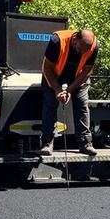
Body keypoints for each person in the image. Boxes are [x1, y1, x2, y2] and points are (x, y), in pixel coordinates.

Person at [39, 28, 100, 157]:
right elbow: (46, 67)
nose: (82, 52)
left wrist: (70, 90)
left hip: (78, 77)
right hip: (53, 75)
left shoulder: (94, 46)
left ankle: (85, 144)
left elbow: (87, 71)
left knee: (82, 106)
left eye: (85, 51)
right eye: (79, 48)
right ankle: (47, 143)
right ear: (74, 39)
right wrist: (57, 89)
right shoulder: (57, 41)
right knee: (50, 104)